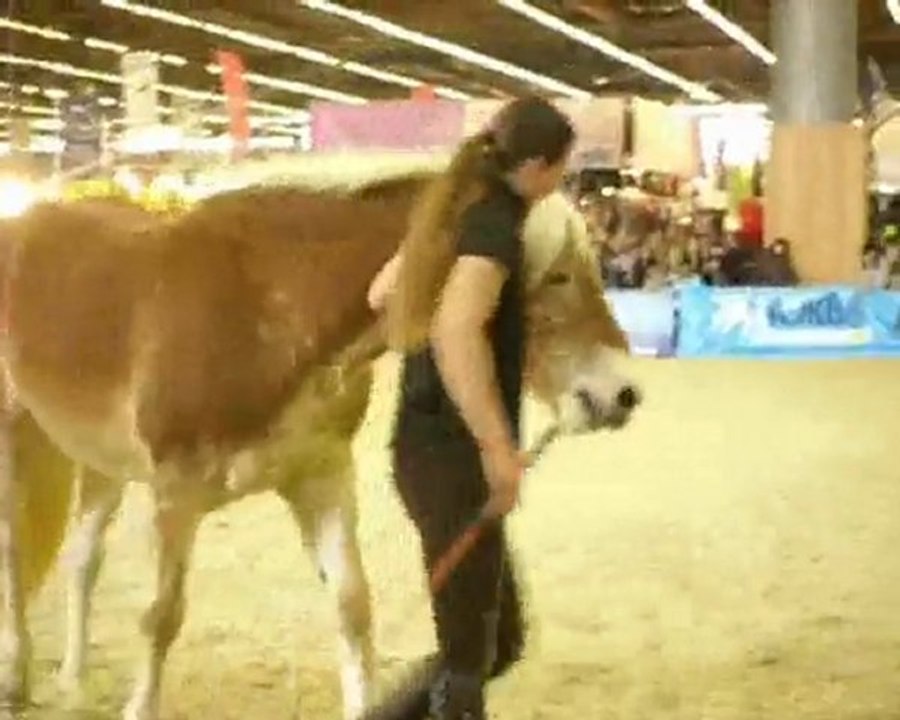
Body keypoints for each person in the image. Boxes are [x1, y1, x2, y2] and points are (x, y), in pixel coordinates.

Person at [366, 96, 576, 720]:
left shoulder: (455, 213)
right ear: (538, 165)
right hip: (451, 457)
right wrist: (496, 448)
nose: (563, 180)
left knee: (498, 640)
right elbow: (457, 331)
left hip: (425, 450)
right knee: (466, 659)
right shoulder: (493, 226)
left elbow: (381, 293)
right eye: (564, 167)